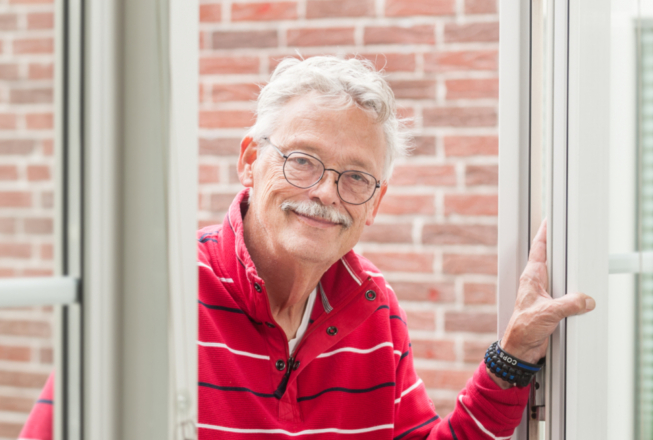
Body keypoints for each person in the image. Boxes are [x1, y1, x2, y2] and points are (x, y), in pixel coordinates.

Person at [19, 56, 594, 439]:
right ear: (249, 161)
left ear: (375, 202)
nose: (325, 193)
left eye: (355, 177)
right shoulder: (155, 293)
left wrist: (514, 353)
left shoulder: (375, 308)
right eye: (302, 161)